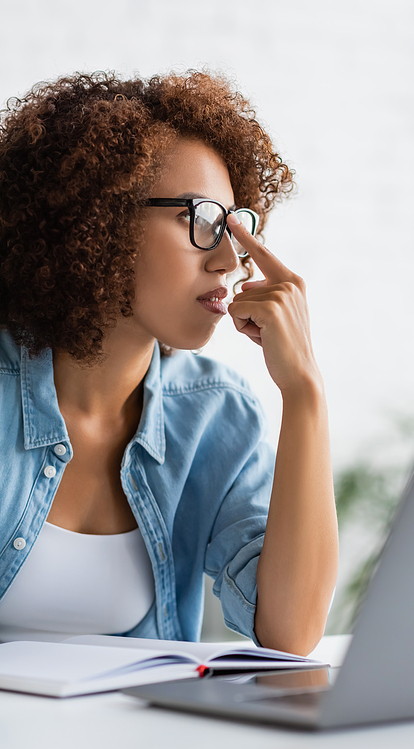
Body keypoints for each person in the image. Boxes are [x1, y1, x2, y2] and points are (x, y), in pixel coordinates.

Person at [0, 71, 338, 655]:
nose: (232, 260)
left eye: (238, 225)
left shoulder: (214, 414)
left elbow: (290, 633)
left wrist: (304, 393)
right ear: (98, 218)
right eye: (202, 219)